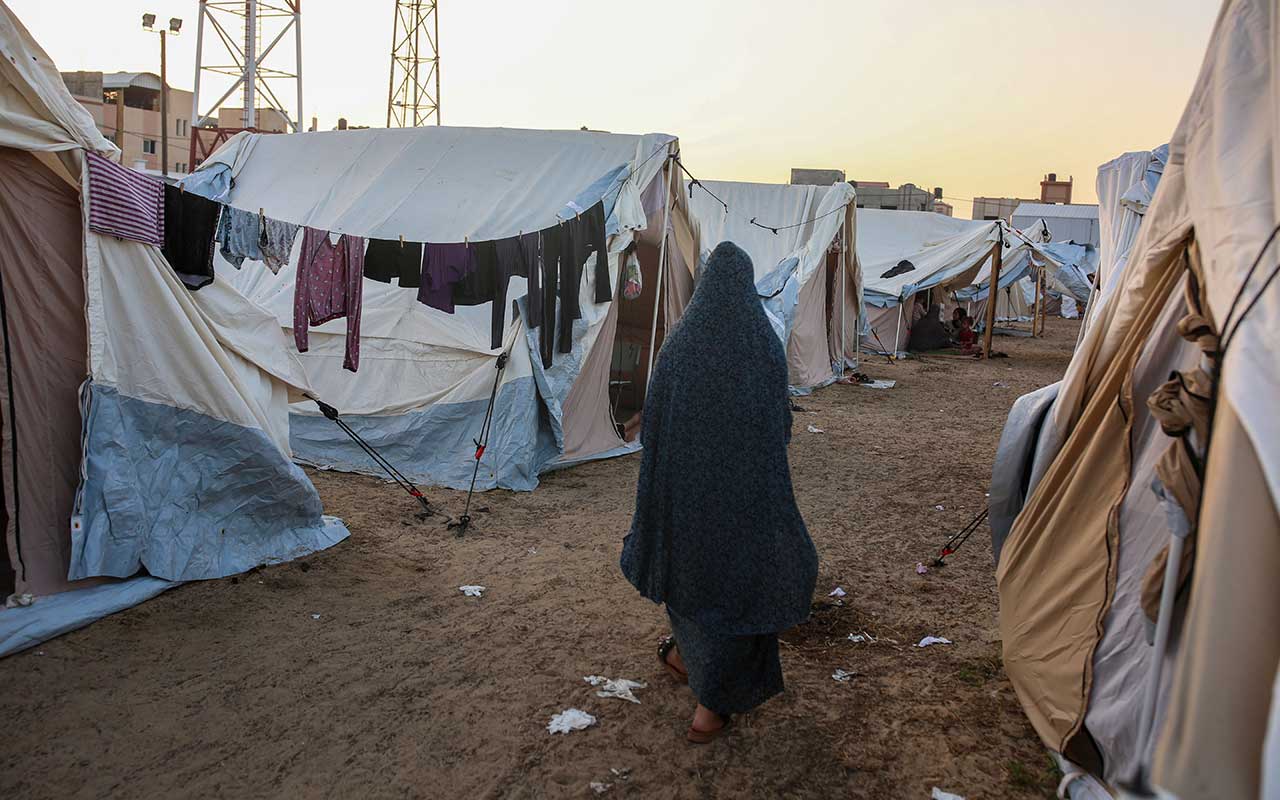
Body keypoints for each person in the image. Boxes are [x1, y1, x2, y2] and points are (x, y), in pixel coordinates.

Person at [620, 241, 818, 744]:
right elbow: (780, 427)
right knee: (740, 598)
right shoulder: (762, 347)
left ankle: (686, 657)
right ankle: (708, 710)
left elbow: (656, 427)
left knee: (691, 587)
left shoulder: (679, 345)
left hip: (686, 505)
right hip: (747, 506)